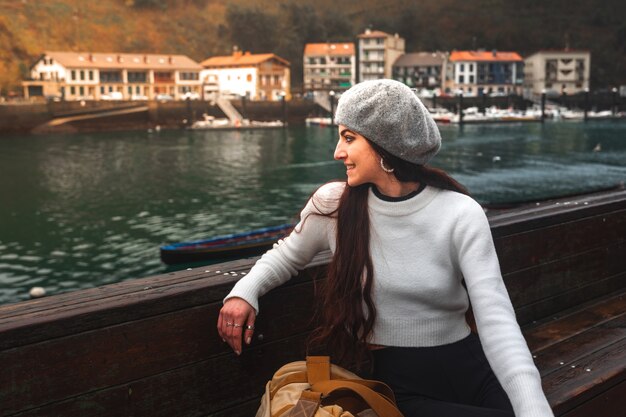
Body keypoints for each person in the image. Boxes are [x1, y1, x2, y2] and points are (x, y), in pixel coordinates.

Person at [218, 79, 553, 417]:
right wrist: (244, 292)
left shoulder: (460, 212)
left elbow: (496, 318)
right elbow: (287, 255)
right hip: (396, 385)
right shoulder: (334, 206)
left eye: (349, 138)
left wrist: (536, 408)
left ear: (384, 148)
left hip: (471, 367)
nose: (337, 152)